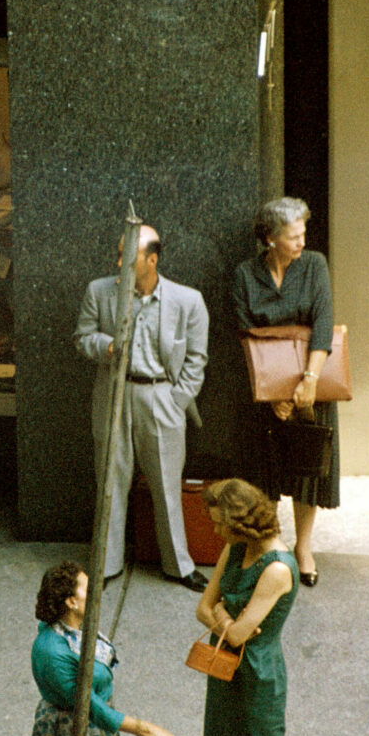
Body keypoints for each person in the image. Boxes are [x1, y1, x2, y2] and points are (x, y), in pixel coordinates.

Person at [74, 225, 210, 591]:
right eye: (118, 254)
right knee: (110, 482)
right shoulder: (99, 291)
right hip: (114, 393)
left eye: (128, 257)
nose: (119, 262)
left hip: (161, 397)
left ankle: (178, 565)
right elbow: (81, 337)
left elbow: (197, 359)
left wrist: (177, 400)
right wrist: (106, 346)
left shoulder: (187, 300)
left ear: (152, 259)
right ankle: (106, 565)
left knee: (167, 485)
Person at [192, 478, 298, 736]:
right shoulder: (236, 547)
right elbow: (206, 610)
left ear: (241, 522)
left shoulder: (276, 568)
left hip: (258, 676)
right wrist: (225, 621)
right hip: (226, 670)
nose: (216, 532)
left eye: (221, 523)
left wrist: (223, 619)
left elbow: (236, 632)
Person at [20, 560, 175, 736]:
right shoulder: (55, 653)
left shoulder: (74, 627)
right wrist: (147, 729)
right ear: (70, 602)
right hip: (72, 732)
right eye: (88, 590)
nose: (96, 594)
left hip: (92, 728)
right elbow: (93, 710)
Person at [233, 196, 339, 586]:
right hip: (266, 391)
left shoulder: (314, 266)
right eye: (293, 236)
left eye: (303, 233)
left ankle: (304, 546)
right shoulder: (246, 275)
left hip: (312, 383)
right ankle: (270, 546)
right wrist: (274, 393)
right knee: (266, 470)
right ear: (271, 238)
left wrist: (308, 381)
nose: (301, 241)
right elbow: (246, 335)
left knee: (308, 470)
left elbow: (323, 323)